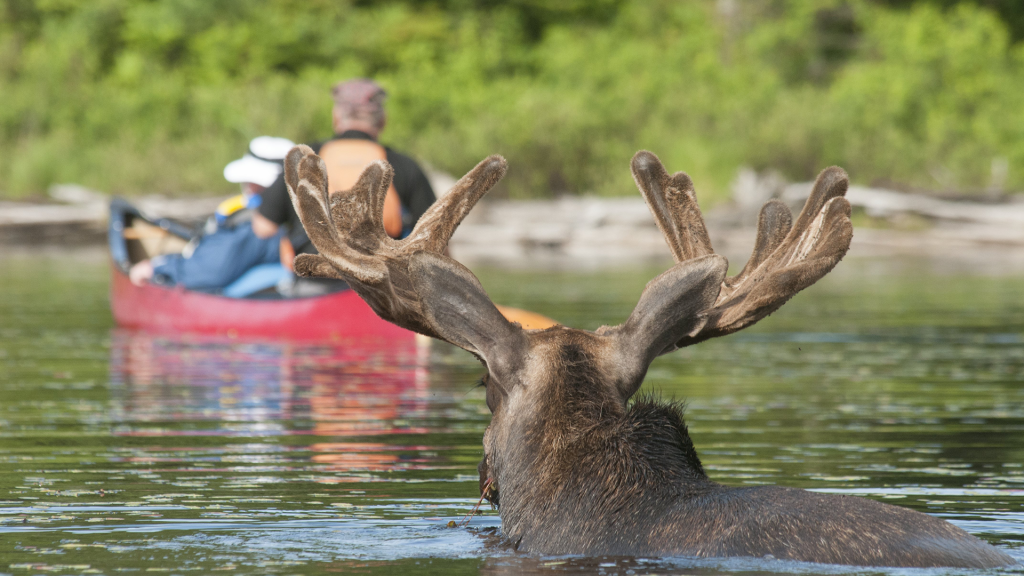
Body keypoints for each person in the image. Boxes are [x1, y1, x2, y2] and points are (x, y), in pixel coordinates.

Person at [253, 78, 436, 266]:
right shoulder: (404, 165)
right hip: (379, 278)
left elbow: (264, 228)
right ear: (383, 120)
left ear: (336, 118)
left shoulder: (305, 160)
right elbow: (433, 238)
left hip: (314, 276)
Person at [129, 137, 295, 292]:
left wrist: (157, 268)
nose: (248, 186)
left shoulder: (254, 226)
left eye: (252, 181)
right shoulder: (297, 217)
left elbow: (211, 271)